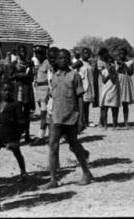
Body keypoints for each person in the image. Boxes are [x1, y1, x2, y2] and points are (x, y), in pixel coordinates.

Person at [40, 49, 93, 190]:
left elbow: (80, 97)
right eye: (60, 58)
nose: (62, 60)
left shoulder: (74, 76)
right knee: (52, 146)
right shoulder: (54, 77)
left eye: (65, 58)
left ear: (69, 60)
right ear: (56, 60)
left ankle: (86, 173)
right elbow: (52, 96)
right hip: (56, 117)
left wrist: (81, 118)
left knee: (74, 146)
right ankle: (53, 179)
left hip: (70, 117)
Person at [0, 82, 28, 184]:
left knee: (17, 153)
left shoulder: (16, 105)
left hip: (10, 135)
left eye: (9, 90)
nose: (7, 93)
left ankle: (23, 172)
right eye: (5, 90)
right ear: (1, 92)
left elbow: (21, 121)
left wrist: (17, 135)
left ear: (13, 92)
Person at [9, 45, 35, 143]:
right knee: (18, 114)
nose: (23, 53)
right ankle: (17, 136)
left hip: (27, 89)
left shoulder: (29, 64)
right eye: (21, 52)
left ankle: (27, 135)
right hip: (18, 89)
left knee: (27, 114)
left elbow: (32, 78)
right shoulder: (14, 64)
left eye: (24, 51)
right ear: (18, 53)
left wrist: (27, 76)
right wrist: (18, 75)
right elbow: (10, 77)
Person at [32, 45, 51, 144]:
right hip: (39, 90)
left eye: (40, 53)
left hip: (45, 90)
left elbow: (50, 78)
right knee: (44, 113)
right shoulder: (40, 64)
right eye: (36, 53)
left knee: (44, 114)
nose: (38, 55)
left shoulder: (48, 63)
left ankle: (41, 136)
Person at [98, 48, 120, 130]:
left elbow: (114, 80)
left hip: (113, 89)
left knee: (114, 108)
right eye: (108, 62)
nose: (109, 63)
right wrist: (109, 72)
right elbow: (104, 80)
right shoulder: (104, 70)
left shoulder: (115, 69)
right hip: (106, 90)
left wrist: (111, 71)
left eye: (111, 61)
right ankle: (105, 125)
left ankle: (115, 125)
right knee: (105, 108)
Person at [116, 48, 134, 128]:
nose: (121, 55)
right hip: (118, 81)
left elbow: (131, 72)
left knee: (125, 103)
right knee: (116, 103)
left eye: (122, 54)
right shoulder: (116, 62)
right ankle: (116, 122)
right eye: (120, 54)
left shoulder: (130, 62)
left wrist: (124, 64)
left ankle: (126, 122)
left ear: (125, 54)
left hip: (126, 81)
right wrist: (119, 65)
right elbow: (115, 71)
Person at [79, 48, 95, 129]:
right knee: (82, 104)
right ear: (81, 54)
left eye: (88, 53)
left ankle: (86, 121)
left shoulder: (89, 63)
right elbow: (72, 69)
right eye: (84, 53)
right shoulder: (79, 62)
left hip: (89, 86)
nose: (86, 55)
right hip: (82, 85)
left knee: (87, 105)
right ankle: (81, 121)